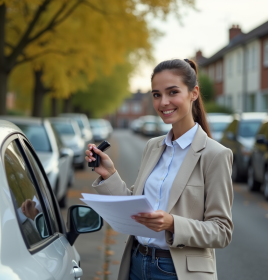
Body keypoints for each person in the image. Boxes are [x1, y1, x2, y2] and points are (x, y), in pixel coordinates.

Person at [85, 58, 233, 280]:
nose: (163, 102)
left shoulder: (215, 155)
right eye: (156, 94)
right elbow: (136, 208)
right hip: (136, 263)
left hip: (176, 272)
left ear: (193, 93)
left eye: (172, 92)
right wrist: (109, 174)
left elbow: (221, 231)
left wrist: (173, 224)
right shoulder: (153, 147)